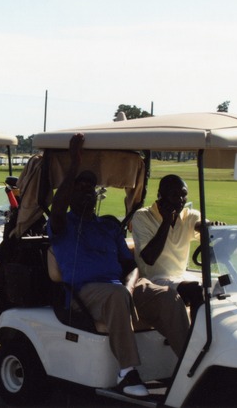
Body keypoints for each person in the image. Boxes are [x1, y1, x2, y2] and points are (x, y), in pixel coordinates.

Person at [47, 134, 189, 398]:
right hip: (84, 293)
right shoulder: (61, 225)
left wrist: (129, 284)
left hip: (121, 289)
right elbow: (57, 208)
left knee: (167, 295)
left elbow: (130, 265)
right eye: (80, 186)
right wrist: (74, 164)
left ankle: (190, 366)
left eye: (90, 187)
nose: (86, 190)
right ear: (70, 193)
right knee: (116, 295)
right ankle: (126, 372)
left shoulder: (108, 226)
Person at [131, 174, 223, 320]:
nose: (181, 200)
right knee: (196, 290)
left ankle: (215, 332)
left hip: (180, 277)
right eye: (175, 195)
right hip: (152, 280)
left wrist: (212, 227)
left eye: (184, 195)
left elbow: (200, 225)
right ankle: (196, 338)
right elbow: (149, 258)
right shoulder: (142, 217)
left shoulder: (189, 215)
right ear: (160, 196)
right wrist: (167, 221)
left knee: (224, 285)